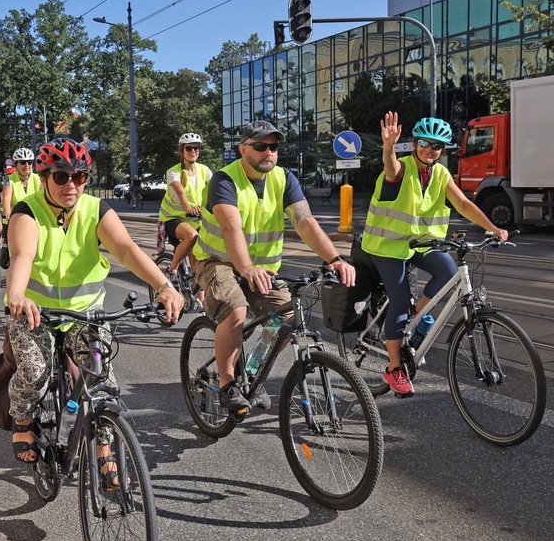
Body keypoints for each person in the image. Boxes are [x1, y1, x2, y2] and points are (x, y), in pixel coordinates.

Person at [4, 137, 183, 476]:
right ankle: (22, 419)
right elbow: (22, 256)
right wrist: (16, 295)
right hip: (34, 312)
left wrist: (164, 286)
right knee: (34, 373)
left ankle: (104, 447)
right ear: (44, 178)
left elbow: (126, 249)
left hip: (85, 312)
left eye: (80, 176)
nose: (71, 184)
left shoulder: (95, 209)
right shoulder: (27, 211)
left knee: (102, 384)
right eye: (61, 176)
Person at [193, 119, 356, 411]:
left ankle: (252, 372)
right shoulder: (224, 179)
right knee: (236, 311)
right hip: (217, 261)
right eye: (260, 146)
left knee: (289, 318)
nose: (268, 152)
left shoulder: (284, 178)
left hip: (261, 269)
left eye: (274, 146)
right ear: (243, 149)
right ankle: (228, 384)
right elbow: (231, 227)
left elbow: (304, 221)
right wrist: (246, 268)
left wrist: (334, 259)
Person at [361, 112, 509, 396]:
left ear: (443, 150)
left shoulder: (440, 174)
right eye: (424, 143)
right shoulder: (401, 168)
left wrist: (493, 228)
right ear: (414, 144)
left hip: (419, 243)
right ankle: (394, 369)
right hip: (387, 246)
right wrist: (388, 146)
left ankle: (415, 316)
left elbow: (463, 204)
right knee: (400, 300)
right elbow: (390, 168)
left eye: (437, 146)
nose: (430, 149)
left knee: (448, 272)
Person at [158, 132, 213, 285]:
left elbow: (215, 190)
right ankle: (173, 268)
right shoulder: (173, 171)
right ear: (181, 151)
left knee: (198, 265)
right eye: (189, 148)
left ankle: (198, 299)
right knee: (192, 236)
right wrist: (189, 208)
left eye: (196, 148)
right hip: (173, 218)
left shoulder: (205, 170)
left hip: (196, 219)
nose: (193, 151)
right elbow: (180, 191)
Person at [0, 147, 41, 269]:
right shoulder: (10, 179)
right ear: (16, 165)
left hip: (34, 216)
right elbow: (6, 198)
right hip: (15, 217)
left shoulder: (38, 178)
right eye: (23, 162)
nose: (27, 165)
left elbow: (43, 197)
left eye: (29, 162)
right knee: (13, 246)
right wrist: (7, 212)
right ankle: (8, 254)